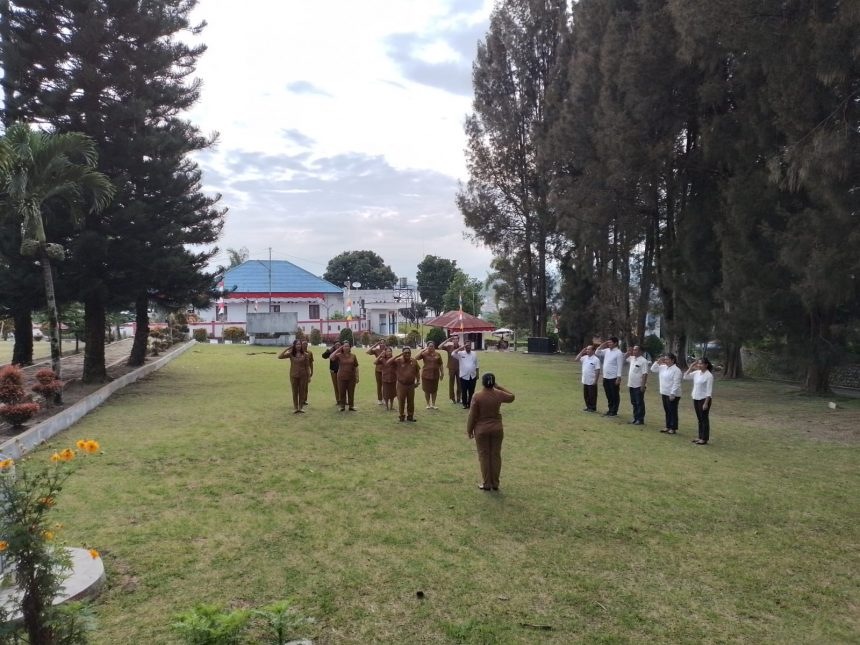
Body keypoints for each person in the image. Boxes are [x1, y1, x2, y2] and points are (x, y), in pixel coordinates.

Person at [466, 373, 515, 491]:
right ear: (494, 383)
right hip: (497, 429)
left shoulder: (477, 396)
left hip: (481, 429)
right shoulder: (499, 394)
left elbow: (472, 415)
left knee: (484, 456)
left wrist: (469, 429)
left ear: (482, 382)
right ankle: (495, 483)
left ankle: (487, 483)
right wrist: (499, 387)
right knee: (495, 455)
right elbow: (512, 397)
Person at [684, 357, 714, 445]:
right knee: (699, 419)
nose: (699, 365)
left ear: (706, 365)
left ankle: (704, 438)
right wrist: (691, 367)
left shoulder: (709, 376)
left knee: (704, 419)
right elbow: (685, 377)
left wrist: (706, 403)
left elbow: (709, 391)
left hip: (704, 399)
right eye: (698, 363)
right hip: (696, 398)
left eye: (701, 364)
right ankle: (700, 436)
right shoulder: (697, 373)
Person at [651, 353, 682, 434]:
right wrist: (658, 362)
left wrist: (673, 393)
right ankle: (668, 426)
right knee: (667, 410)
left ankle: (673, 427)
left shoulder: (676, 370)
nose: (666, 361)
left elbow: (676, 383)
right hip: (664, 392)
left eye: (667, 359)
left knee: (672, 411)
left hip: (672, 394)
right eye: (665, 359)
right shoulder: (663, 367)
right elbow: (653, 369)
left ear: (673, 360)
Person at [386, 348, 420, 422]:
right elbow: (388, 363)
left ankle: (410, 416)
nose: (407, 354)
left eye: (408, 353)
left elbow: (417, 371)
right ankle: (401, 416)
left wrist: (418, 381)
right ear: (402, 353)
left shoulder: (414, 361)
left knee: (411, 401)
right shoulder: (398, 361)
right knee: (401, 401)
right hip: (401, 385)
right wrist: (397, 356)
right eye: (405, 353)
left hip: (411, 385)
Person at [595, 337, 625, 416]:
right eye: (608, 342)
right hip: (606, 376)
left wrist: (618, 377)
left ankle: (614, 411)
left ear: (615, 343)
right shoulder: (606, 351)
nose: (609, 344)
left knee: (614, 394)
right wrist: (602, 345)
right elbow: (597, 352)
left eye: (610, 342)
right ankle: (610, 409)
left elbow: (620, 366)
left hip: (614, 377)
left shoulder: (618, 353)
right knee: (608, 394)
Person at [278, 340, 310, 414]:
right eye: (297, 344)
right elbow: (280, 356)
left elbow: (307, 366)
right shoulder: (291, 354)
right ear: (294, 346)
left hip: (303, 376)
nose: (298, 346)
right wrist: (288, 349)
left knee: (302, 391)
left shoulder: (305, 354)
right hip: (293, 375)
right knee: (295, 392)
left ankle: (301, 408)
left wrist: (309, 377)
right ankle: (295, 408)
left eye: (299, 344)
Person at [329, 341, 359, 411]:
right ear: (342, 347)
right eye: (345, 346)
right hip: (341, 377)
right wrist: (338, 349)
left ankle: (351, 406)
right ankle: (342, 406)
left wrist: (357, 376)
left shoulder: (353, 356)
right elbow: (331, 357)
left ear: (350, 347)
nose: (346, 347)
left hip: (351, 377)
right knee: (342, 392)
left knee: (351, 392)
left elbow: (356, 367)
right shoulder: (339, 355)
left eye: (348, 346)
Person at [625, 345, 650, 425]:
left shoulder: (643, 361)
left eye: (636, 350)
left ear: (641, 352)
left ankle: (640, 419)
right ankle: (635, 418)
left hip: (638, 385)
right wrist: (628, 352)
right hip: (631, 384)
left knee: (639, 402)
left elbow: (645, 374)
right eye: (634, 350)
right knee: (634, 402)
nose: (634, 351)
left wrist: (643, 385)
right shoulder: (632, 358)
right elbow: (624, 358)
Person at [416, 341, 444, 409]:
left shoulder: (438, 354)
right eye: (429, 346)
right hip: (426, 375)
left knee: (434, 390)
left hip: (435, 375)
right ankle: (428, 404)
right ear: (427, 346)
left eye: (432, 346)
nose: (431, 347)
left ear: (434, 346)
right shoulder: (424, 354)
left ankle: (433, 404)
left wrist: (442, 373)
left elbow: (440, 364)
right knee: (427, 390)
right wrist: (423, 349)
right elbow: (416, 357)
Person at [453, 340, 479, 409]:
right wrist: (462, 347)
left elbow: (477, 364)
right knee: (464, 391)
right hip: (464, 376)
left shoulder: (474, 353)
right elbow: (453, 353)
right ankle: (464, 404)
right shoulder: (461, 353)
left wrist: (477, 374)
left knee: (471, 391)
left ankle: (470, 404)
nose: (468, 347)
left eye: (469, 345)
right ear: (464, 346)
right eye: (467, 345)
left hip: (472, 375)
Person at [574, 344, 601, 412]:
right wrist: (581, 352)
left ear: (593, 351)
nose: (587, 350)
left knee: (592, 395)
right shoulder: (585, 357)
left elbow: (597, 371)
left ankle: (592, 407)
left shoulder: (596, 359)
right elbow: (576, 359)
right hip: (585, 379)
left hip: (592, 380)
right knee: (586, 395)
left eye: (589, 349)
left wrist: (595, 380)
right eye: (587, 349)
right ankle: (588, 406)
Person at [438, 336, 461, 404]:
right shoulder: (449, 347)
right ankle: (453, 398)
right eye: (454, 339)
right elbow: (439, 346)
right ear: (452, 340)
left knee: (460, 384)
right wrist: (447, 340)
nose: (455, 340)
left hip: (460, 368)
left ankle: (459, 398)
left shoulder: (461, 348)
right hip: (451, 368)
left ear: (458, 340)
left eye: (456, 339)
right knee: (451, 383)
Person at [366, 339, 388, 406]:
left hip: (386, 370)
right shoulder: (376, 350)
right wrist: (375, 344)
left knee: (385, 385)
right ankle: (380, 399)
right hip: (378, 370)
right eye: (381, 343)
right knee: (379, 385)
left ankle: (385, 398)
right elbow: (368, 352)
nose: (382, 344)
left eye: (383, 343)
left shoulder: (387, 350)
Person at [376, 347, 397, 411]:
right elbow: (375, 362)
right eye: (387, 351)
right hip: (385, 378)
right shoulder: (382, 359)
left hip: (393, 378)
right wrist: (380, 355)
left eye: (390, 351)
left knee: (392, 393)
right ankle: (387, 407)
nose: (389, 352)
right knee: (386, 393)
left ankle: (391, 406)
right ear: (385, 352)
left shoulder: (394, 359)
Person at [301, 340, 314, 407]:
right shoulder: (299, 352)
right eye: (303, 344)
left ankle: (304, 400)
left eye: (306, 344)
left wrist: (312, 371)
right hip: (299, 371)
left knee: (306, 387)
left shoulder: (310, 353)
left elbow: (311, 363)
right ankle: (300, 399)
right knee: (300, 387)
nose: (305, 345)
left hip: (306, 371)